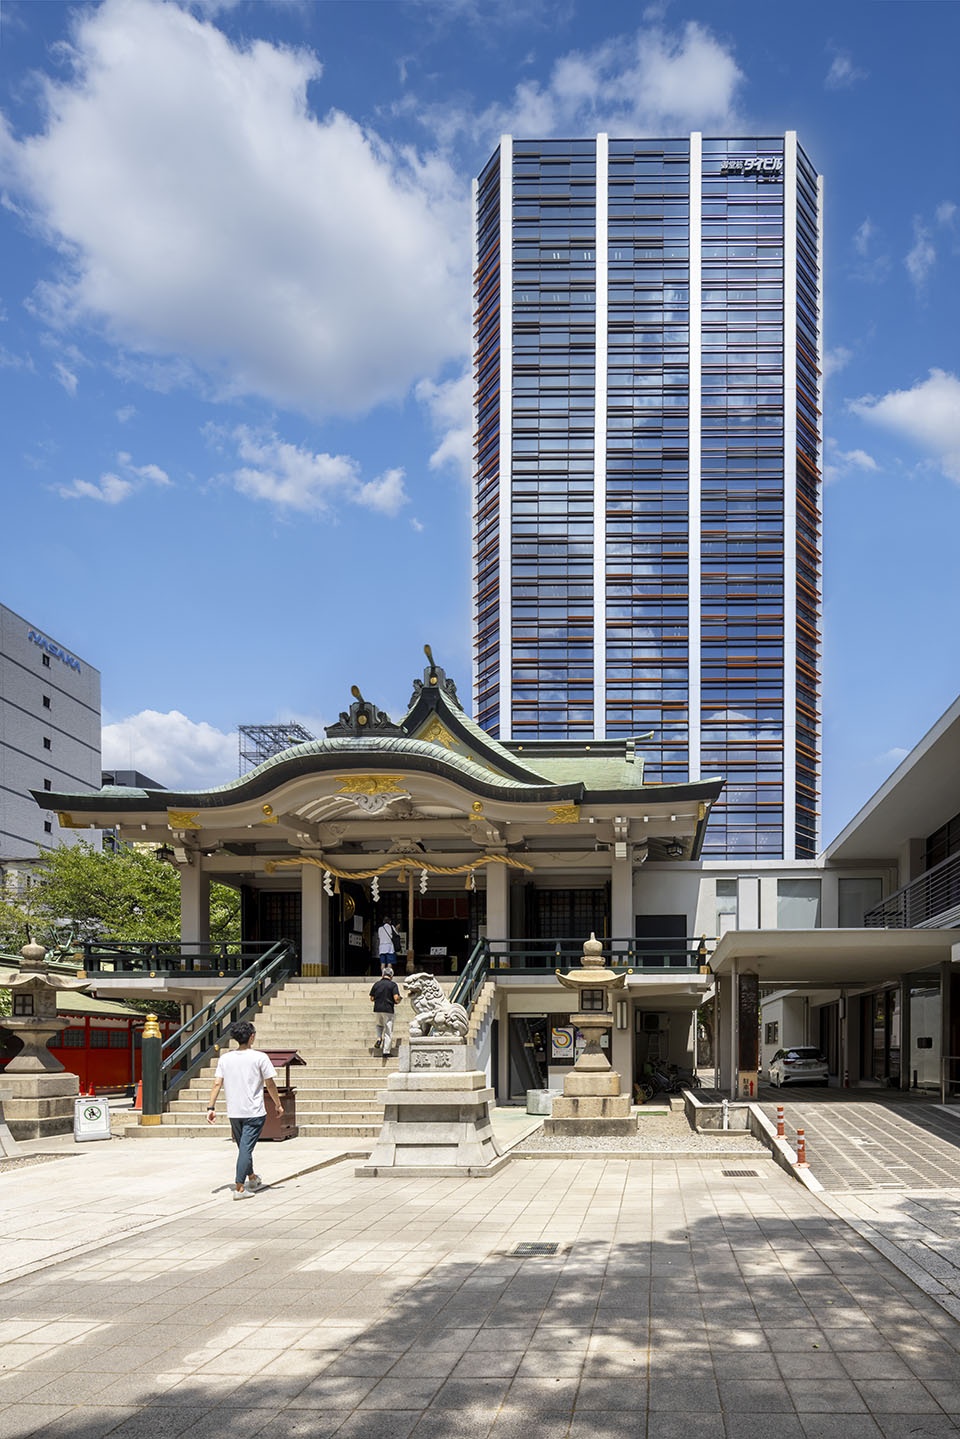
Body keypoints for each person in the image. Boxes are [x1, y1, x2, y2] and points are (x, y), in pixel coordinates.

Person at [206, 1021, 284, 1200]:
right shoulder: (260, 1057)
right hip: (254, 1112)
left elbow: (217, 1083)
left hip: (234, 1112)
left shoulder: (225, 1058)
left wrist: (211, 1107)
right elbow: (270, 1083)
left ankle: (252, 1177)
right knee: (245, 1149)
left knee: (243, 1148)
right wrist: (278, 1104)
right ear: (252, 1037)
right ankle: (240, 1187)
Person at [369, 967, 402, 1056]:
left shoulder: (376, 984)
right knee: (388, 1030)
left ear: (383, 974)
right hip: (388, 1009)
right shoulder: (393, 985)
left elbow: (372, 998)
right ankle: (386, 1051)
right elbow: (396, 998)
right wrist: (399, 999)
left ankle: (379, 1038)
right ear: (391, 975)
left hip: (377, 1008)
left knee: (379, 1025)